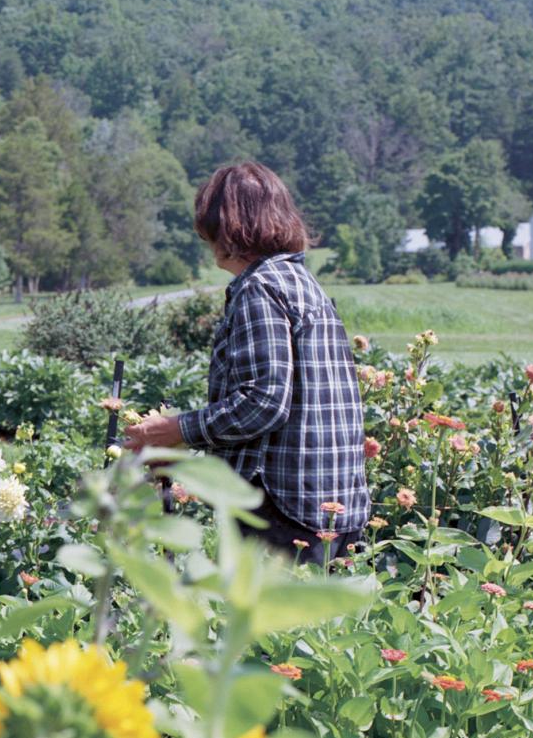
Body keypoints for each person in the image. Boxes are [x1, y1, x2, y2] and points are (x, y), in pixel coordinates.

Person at [123, 160, 369, 562]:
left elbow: (265, 402)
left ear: (228, 227)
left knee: (265, 623)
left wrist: (178, 428)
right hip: (333, 502)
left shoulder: (260, 288)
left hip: (284, 506)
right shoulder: (302, 283)